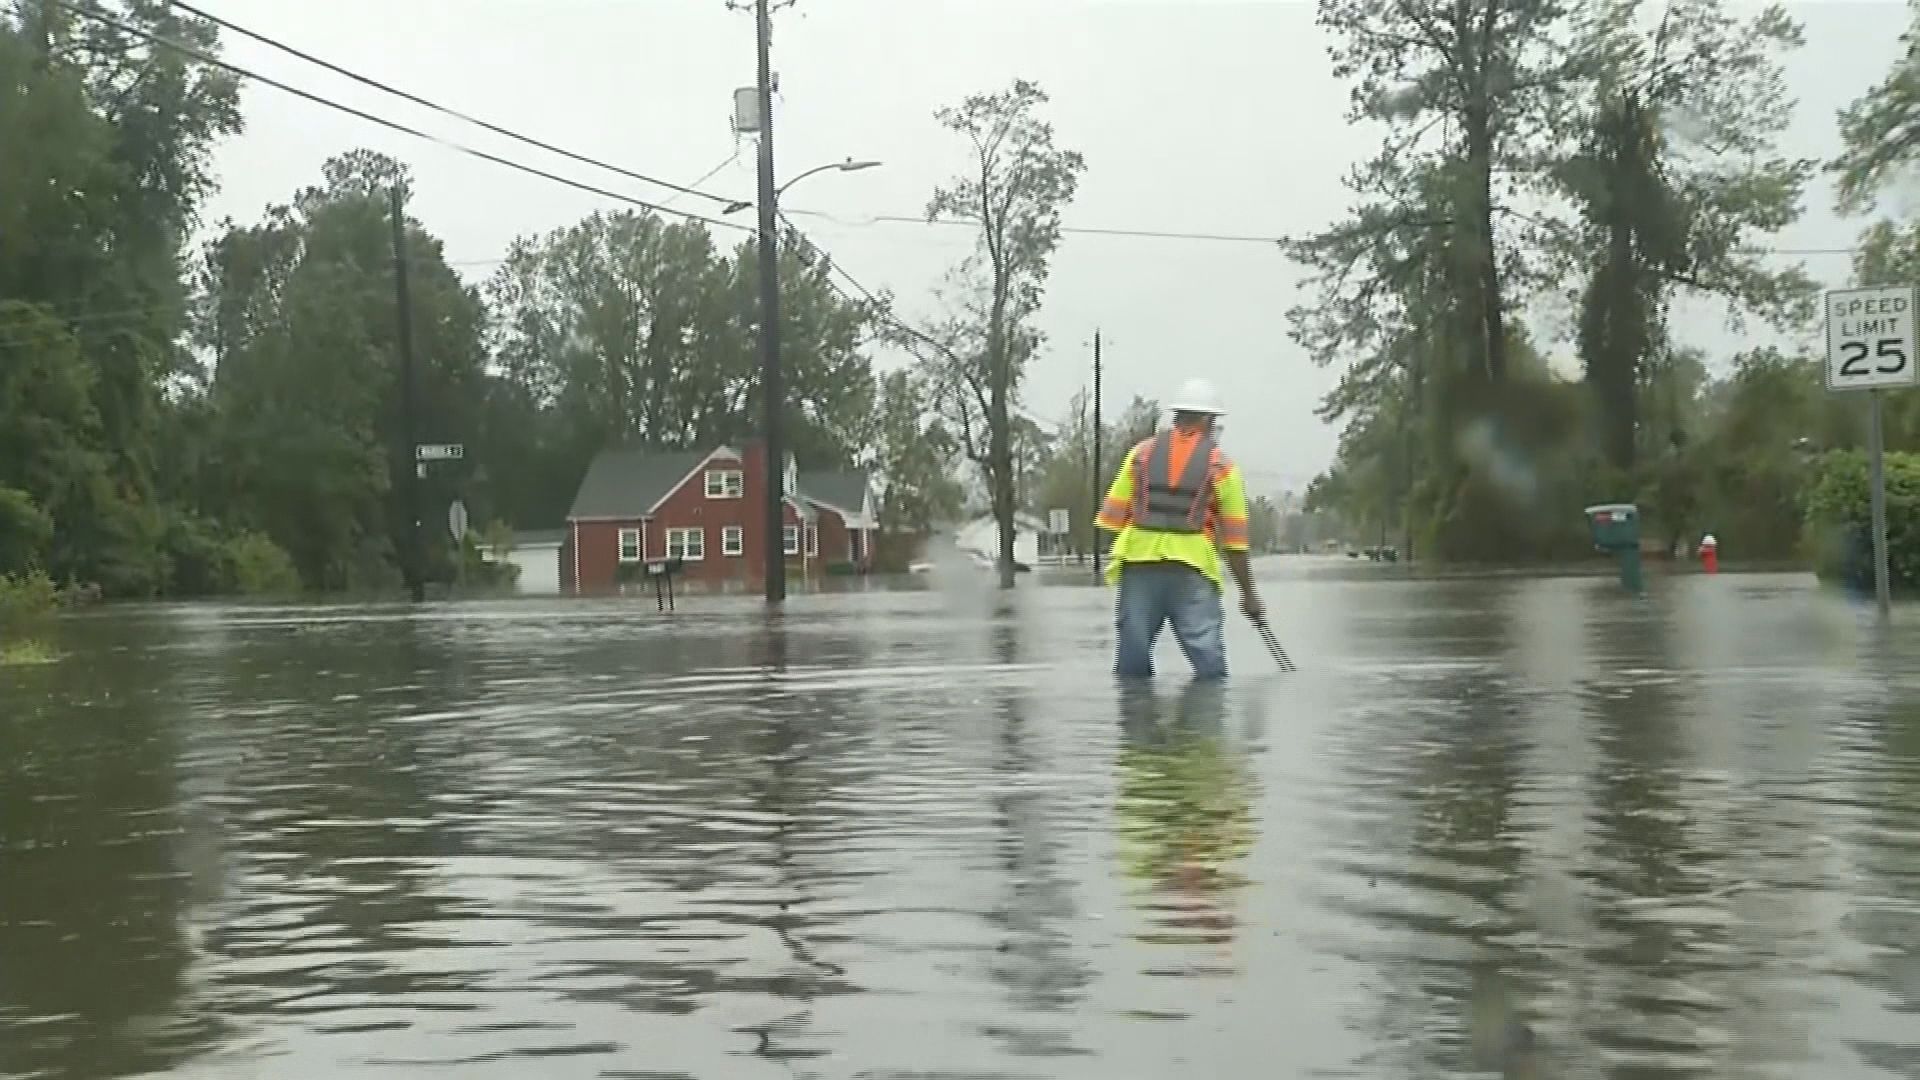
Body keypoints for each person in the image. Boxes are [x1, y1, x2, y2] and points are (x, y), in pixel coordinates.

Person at [1095, 378, 1264, 680]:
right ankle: (1205, 723)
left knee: (1132, 663)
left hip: (1138, 566)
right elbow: (1236, 543)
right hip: (1193, 570)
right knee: (1209, 663)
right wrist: (1249, 595)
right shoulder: (1222, 466)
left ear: (1176, 416)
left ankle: (1135, 723)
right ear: (1207, 420)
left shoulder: (1140, 455)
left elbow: (1110, 518)